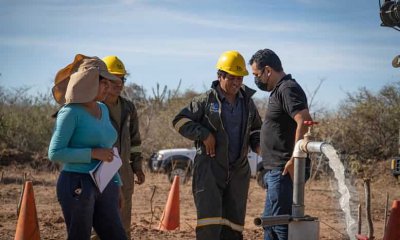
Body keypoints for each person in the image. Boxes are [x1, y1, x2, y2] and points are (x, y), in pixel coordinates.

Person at [172, 50, 262, 240]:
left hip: (238, 171)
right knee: (209, 224)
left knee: (234, 226)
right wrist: (204, 134)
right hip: (210, 169)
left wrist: (258, 144)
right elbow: (179, 121)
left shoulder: (247, 102)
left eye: (240, 78)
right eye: (232, 78)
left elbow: (256, 129)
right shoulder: (205, 101)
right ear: (220, 76)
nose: (237, 83)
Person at [48, 54, 127, 240]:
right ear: (89, 82)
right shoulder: (70, 112)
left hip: (106, 183)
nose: (109, 88)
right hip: (77, 183)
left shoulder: (103, 108)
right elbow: (55, 152)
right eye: (104, 83)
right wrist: (93, 153)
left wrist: (118, 186)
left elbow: (108, 151)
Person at [249, 49, 312, 240]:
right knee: (270, 225)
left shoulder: (287, 88)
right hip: (275, 171)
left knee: (281, 226)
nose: (256, 80)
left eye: (256, 75)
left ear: (268, 70)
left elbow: (305, 120)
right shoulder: (279, 91)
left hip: (284, 170)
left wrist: (295, 159)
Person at [102, 55, 145, 239]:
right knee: (99, 224)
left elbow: (135, 141)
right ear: (102, 80)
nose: (119, 83)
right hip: (100, 170)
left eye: (122, 79)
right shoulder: (94, 106)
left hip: (124, 172)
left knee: (123, 223)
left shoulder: (128, 107)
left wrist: (137, 166)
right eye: (114, 78)